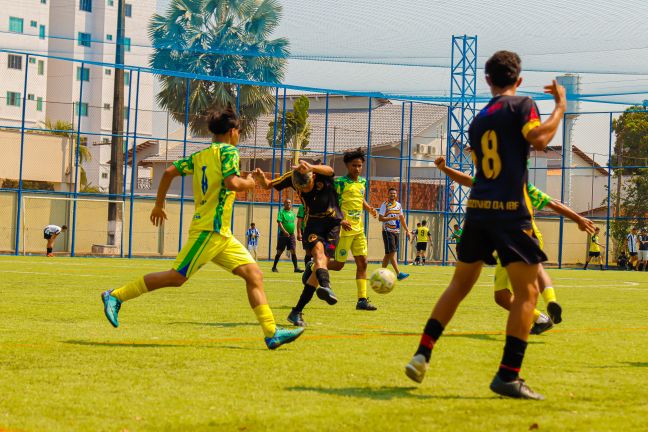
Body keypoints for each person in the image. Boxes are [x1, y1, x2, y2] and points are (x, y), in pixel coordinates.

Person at [405, 50, 567, 400]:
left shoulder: (478, 120)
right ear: (519, 80)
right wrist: (560, 108)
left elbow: (481, 171)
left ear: (488, 80)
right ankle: (508, 376)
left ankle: (423, 353)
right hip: (511, 211)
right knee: (527, 293)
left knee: (459, 285)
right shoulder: (523, 105)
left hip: (478, 208)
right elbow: (539, 140)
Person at [100, 108, 304, 350]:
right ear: (232, 132)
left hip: (222, 235)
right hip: (209, 230)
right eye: (239, 132)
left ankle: (271, 332)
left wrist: (158, 205)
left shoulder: (201, 156)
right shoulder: (229, 151)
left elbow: (168, 172)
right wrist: (252, 182)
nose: (239, 136)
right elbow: (232, 183)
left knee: (254, 275)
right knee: (176, 278)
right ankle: (116, 295)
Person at [434, 155, 594, 334]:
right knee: (537, 270)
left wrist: (445, 169)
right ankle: (550, 301)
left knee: (502, 295)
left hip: (509, 241)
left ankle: (540, 317)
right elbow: (553, 203)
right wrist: (578, 218)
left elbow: (467, 180)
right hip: (530, 235)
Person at [254, 160, 341, 327]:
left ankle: (296, 312)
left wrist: (312, 166)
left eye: (307, 186)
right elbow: (268, 185)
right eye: (300, 189)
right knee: (318, 256)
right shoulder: (292, 177)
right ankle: (327, 286)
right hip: (312, 224)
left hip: (333, 225)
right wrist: (261, 178)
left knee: (319, 266)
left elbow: (331, 170)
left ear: (313, 176)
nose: (304, 191)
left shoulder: (320, 172)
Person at [327, 148, 378, 312]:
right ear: (347, 166)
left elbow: (360, 197)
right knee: (338, 265)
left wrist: (369, 207)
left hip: (359, 229)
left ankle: (362, 300)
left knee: (363, 262)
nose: (357, 169)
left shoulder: (362, 182)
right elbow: (331, 203)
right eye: (354, 165)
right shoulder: (339, 182)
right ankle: (315, 265)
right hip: (344, 230)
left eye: (360, 166)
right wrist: (341, 220)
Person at [378, 188, 412, 281]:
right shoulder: (384, 205)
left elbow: (402, 219)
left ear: (396, 195)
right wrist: (390, 218)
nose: (392, 195)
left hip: (396, 231)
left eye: (394, 193)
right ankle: (398, 273)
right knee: (391, 253)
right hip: (387, 231)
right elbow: (380, 218)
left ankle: (381, 273)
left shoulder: (399, 205)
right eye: (391, 193)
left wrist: (407, 231)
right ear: (388, 194)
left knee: (389, 253)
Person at [271, 199, 303, 273]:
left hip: (291, 235)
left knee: (293, 250)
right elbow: (279, 223)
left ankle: (296, 268)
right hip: (283, 235)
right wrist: (284, 231)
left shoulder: (292, 213)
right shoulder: (281, 212)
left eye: (290, 202)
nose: (288, 204)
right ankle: (274, 267)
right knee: (279, 251)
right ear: (284, 204)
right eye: (287, 203)